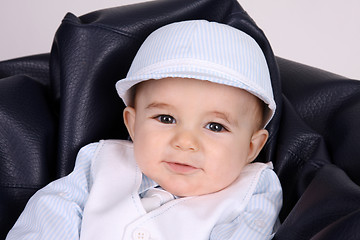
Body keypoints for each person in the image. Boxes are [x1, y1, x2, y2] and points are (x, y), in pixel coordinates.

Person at [6, 20, 282, 240]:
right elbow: (53, 211)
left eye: (215, 126)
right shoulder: (100, 162)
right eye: (165, 118)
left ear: (251, 147)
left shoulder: (253, 191)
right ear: (132, 123)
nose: (185, 142)